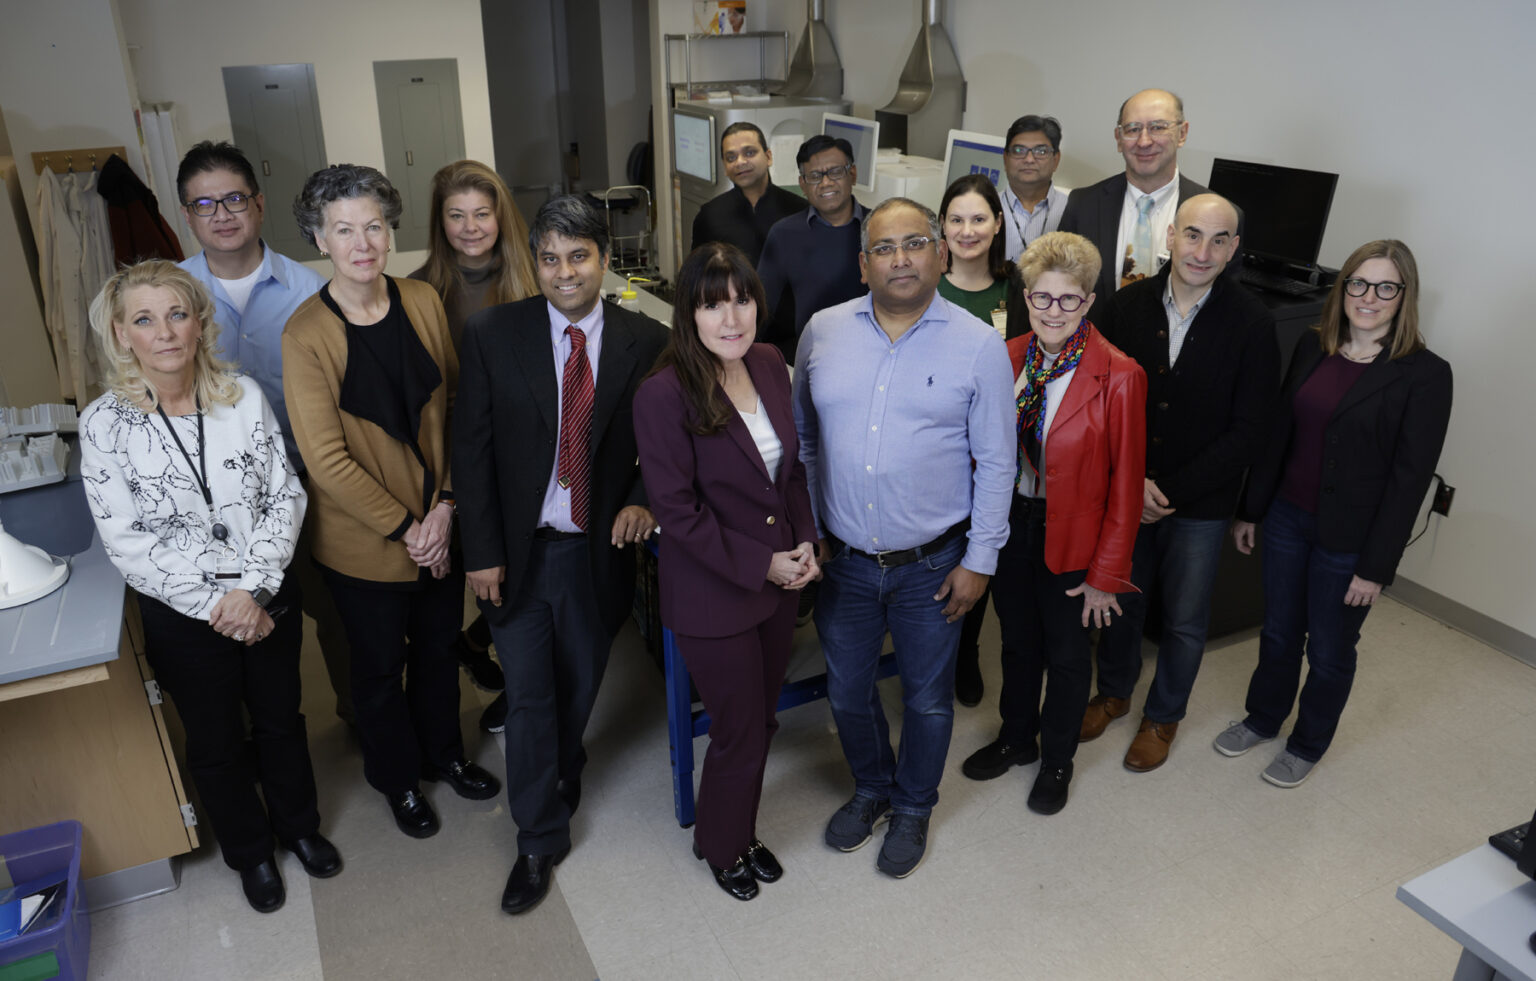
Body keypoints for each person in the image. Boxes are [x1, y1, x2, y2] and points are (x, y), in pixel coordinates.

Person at [79, 260, 339, 914]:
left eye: (176, 313)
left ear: (199, 322)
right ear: (120, 333)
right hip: (186, 614)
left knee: (281, 719)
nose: (164, 331)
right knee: (216, 740)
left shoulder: (243, 396)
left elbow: (284, 493)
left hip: (266, 593)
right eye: (144, 318)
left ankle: (300, 827)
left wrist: (252, 590)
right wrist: (222, 602)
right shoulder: (105, 426)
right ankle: (250, 853)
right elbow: (129, 542)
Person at [452, 195, 669, 914]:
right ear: (535, 262)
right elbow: (472, 451)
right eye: (550, 257)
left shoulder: (643, 338)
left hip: (595, 550)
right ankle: (537, 836)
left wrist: (641, 495)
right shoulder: (491, 333)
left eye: (579, 256)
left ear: (604, 260)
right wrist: (479, 551)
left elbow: (662, 443)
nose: (564, 271)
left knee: (578, 682)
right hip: (514, 554)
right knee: (532, 695)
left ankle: (558, 766)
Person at [794, 197, 1014, 878]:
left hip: (933, 564)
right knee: (848, 692)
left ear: (941, 254)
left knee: (924, 696)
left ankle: (914, 803)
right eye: (884, 248)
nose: (901, 258)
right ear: (864, 264)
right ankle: (872, 788)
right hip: (845, 563)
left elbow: (999, 459)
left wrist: (980, 560)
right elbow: (804, 441)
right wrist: (809, 527)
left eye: (915, 243)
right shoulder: (822, 332)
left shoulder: (978, 344)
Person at [283, 164, 501, 843]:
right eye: (344, 229)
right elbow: (326, 461)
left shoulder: (422, 301)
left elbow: (455, 409)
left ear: (390, 229)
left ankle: (446, 753)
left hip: (437, 523)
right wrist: (410, 526)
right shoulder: (304, 335)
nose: (362, 241)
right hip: (364, 543)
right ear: (319, 238)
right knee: (376, 671)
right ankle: (399, 780)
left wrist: (446, 505)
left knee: (438, 651)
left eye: (373, 225)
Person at [1215, 240, 1452, 788]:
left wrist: (1375, 568)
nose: (1369, 297)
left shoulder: (1425, 374)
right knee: (1277, 631)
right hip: (1286, 520)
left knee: (1329, 648)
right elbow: (1280, 435)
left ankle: (1307, 743)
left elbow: (1408, 482)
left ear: (1404, 296)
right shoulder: (1312, 345)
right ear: (1343, 288)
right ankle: (1263, 718)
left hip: (1350, 541)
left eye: (1386, 287)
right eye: (1359, 284)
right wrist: (1253, 510)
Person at [633, 243, 819, 901]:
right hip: (715, 592)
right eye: (714, 304)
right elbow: (676, 514)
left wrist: (804, 543)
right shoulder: (663, 394)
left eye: (741, 298)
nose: (731, 316)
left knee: (760, 720)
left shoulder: (767, 362)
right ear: (690, 312)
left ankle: (735, 828)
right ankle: (720, 846)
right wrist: (762, 561)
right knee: (738, 726)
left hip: (775, 582)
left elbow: (790, 470)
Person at [1082, 194, 1279, 770]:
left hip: (1200, 504)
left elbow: (1250, 430)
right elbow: (1095, 399)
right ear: (1170, 236)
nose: (1203, 250)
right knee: (1120, 601)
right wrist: (1132, 481)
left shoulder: (1253, 323)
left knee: (1186, 619)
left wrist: (1170, 491)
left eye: (1220, 240)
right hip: (1126, 492)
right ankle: (1114, 694)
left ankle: (1163, 717)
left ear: (1234, 249)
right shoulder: (1125, 306)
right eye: (1193, 235)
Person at [960, 231, 1146, 815]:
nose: (1054, 312)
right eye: (1043, 298)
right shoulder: (1005, 355)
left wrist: (1107, 574)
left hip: (1076, 537)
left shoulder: (1119, 374)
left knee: (1067, 656)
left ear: (1088, 302)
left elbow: (1126, 487)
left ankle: (1057, 758)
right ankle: (1017, 738)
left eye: (1070, 300)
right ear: (1027, 297)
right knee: (1016, 643)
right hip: (1010, 522)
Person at [174, 141, 354, 727]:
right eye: (205, 204)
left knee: (339, 614)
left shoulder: (311, 292)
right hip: (212, 504)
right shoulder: (170, 300)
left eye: (233, 198)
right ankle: (262, 743)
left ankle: (362, 720)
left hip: (311, 483)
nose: (221, 214)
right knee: (236, 626)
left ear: (257, 202)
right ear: (187, 215)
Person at [409, 158, 541, 712]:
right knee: (482, 574)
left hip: (527, 451)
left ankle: (501, 667)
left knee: (527, 576)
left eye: (481, 214)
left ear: (500, 216)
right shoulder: (417, 291)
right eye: (456, 215)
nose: (470, 227)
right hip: (455, 455)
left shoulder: (533, 278)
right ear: (439, 223)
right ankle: (499, 671)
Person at [936, 173, 1025, 707]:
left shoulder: (1018, 289)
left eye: (978, 218)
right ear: (941, 228)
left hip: (998, 449)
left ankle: (967, 649)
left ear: (997, 225)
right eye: (956, 219)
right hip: (942, 450)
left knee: (984, 551)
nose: (968, 230)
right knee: (944, 553)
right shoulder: (926, 284)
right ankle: (942, 649)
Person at [1058, 89, 1217, 319]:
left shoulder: (1219, 216)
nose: (1144, 141)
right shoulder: (1082, 205)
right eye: (1133, 129)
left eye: (1158, 127)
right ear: (1118, 139)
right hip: (1095, 348)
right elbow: (1061, 288)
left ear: (1182, 133)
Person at [756, 134, 869, 363]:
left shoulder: (881, 228)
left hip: (874, 357)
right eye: (815, 176)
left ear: (853, 174)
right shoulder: (784, 234)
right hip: (813, 362)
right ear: (803, 185)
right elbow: (760, 308)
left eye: (835, 172)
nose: (826, 182)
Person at [690, 122, 807, 265]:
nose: (740, 162)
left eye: (749, 153)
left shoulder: (799, 211)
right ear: (725, 167)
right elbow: (697, 279)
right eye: (731, 157)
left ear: (768, 157)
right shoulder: (709, 216)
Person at [998, 115, 1069, 263]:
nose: (1029, 159)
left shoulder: (1072, 209)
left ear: (1056, 159)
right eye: (1019, 150)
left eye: (1041, 151)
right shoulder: (986, 209)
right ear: (1005, 159)